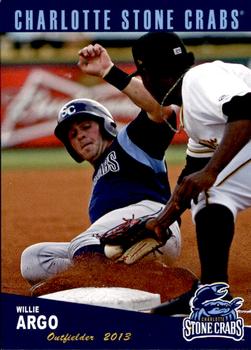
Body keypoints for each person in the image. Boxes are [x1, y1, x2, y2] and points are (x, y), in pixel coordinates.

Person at [20, 43, 182, 287]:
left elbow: (161, 110)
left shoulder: (130, 142)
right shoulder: (99, 182)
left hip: (155, 227)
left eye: (86, 127)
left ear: (105, 125)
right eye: (73, 134)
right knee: (33, 258)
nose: (80, 136)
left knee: (83, 243)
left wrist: (109, 71)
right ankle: (139, 278)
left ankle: (91, 286)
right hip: (126, 247)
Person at [124, 31, 251, 315]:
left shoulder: (198, 80)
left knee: (210, 189)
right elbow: (192, 171)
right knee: (203, 187)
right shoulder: (193, 105)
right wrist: (161, 221)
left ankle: (212, 295)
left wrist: (212, 172)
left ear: (149, 74)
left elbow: (246, 108)